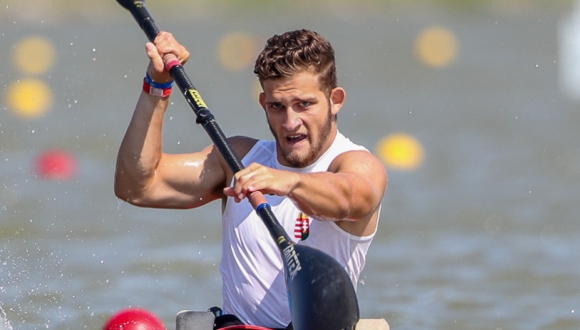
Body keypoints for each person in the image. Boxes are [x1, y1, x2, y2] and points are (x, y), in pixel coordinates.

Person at [114, 29, 388, 329]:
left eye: (304, 104)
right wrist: (157, 85)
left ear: (335, 100)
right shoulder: (239, 159)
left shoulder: (357, 164)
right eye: (277, 107)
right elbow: (137, 187)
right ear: (263, 103)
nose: (290, 122)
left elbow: (349, 198)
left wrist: (289, 182)